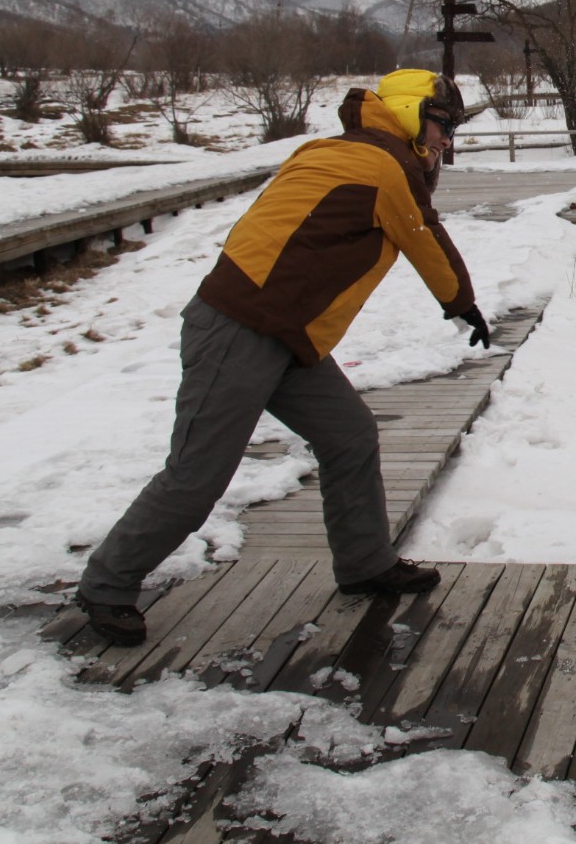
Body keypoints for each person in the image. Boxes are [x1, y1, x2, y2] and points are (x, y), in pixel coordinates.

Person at [73, 69, 494, 646]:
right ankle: (107, 585)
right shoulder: (383, 167)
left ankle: (365, 563)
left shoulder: (336, 150)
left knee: (348, 434)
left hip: (286, 334)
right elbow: (424, 236)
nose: (447, 139)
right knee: (197, 476)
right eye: (443, 124)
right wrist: (462, 304)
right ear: (408, 111)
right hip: (238, 328)